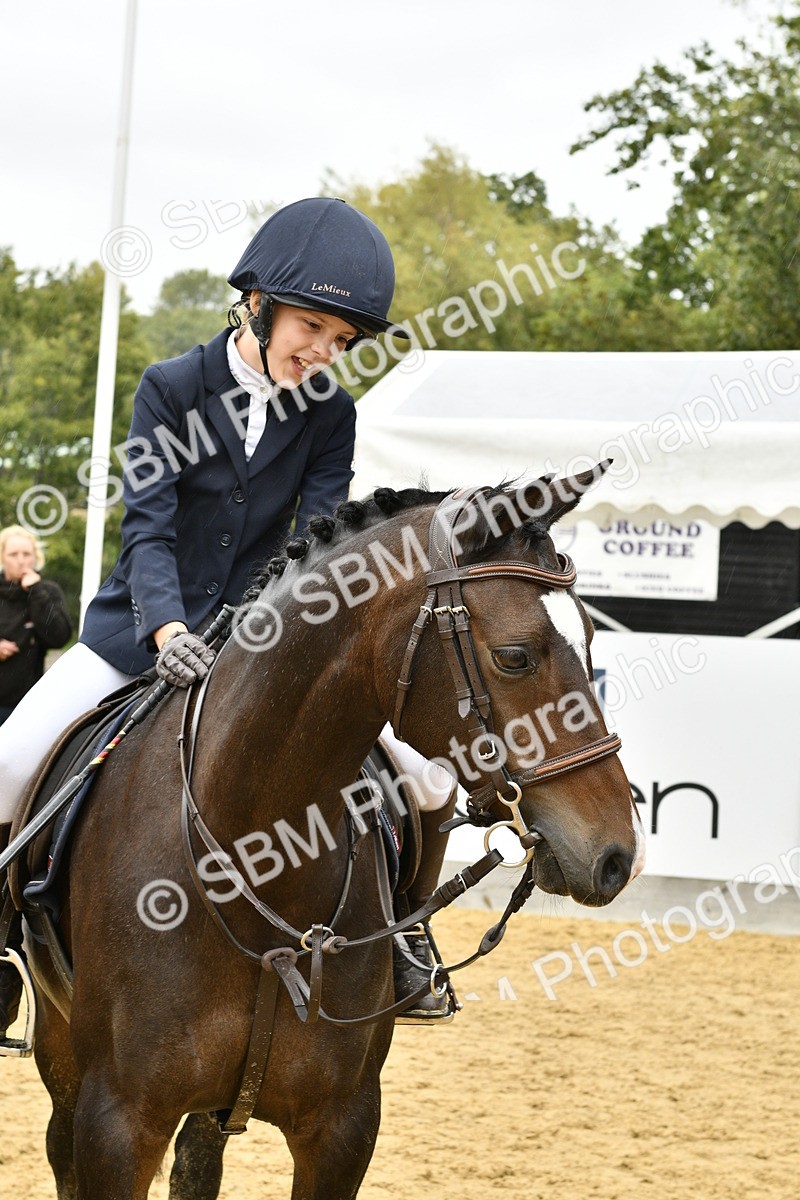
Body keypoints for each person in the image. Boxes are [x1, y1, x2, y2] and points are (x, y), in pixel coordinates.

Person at [0, 198, 454, 1048]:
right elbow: (148, 528)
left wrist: (263, 635)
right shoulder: (170, 387)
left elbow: (317, 543)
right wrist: (170, 632)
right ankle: (1, 951)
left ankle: (405, 935)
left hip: (262, 642)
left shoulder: (331, 414)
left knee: (424, 777)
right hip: (139, 631)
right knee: (8, 759)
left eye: (342, 340)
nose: (323, 352)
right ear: (257, 303)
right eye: (312, 327)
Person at [0, 525, 71, 726]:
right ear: (2, 557)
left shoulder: (47, 591)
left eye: (26, 554)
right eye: (13, 554)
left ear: (36, 557)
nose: (21, 560)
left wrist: (35, 591)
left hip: (27, 704)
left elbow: (59, 637)